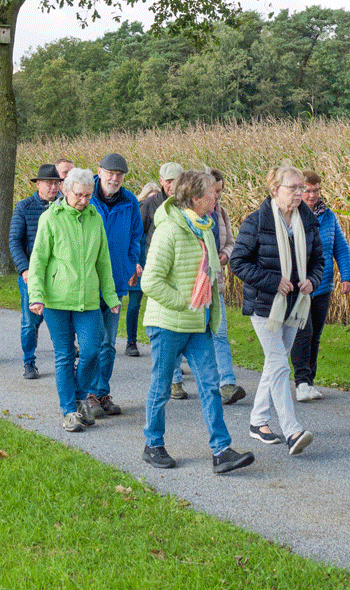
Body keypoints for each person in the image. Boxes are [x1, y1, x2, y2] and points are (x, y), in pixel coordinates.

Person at [141, 170, 255, 474]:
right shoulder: (169, 230)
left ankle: (222, 450)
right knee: (162, 386)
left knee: (210, 385)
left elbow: (211, 272)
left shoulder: (205, 226)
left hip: (198, 322)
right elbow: (150, 282)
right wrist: (185, 303)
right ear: (194, 198)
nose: (216, 195)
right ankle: (153, 444)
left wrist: (204, 308)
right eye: (210, 192)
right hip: (168, 323)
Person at [230, 164, 323, 456]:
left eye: (301, 188)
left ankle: (258, 422)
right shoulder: (256, 222)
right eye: (293, 188)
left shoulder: (307, 222)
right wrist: (273, 281)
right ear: (275, 190)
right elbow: (238, 263)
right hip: (264, 307)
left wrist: (312, 280)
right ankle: (292, 429)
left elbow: (319, 259)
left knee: (274, 364)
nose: (299, 193)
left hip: (295, 306)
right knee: (281, 364)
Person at [27, 168, 119, 432]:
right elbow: (39, 261)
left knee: (92, 351)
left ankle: (80, 398)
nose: (83, 200)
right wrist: (37, 295)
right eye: (78, 195)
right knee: (65, 355)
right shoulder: (50, 218)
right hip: (56, 300)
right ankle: (69, 411)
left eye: (88, 195)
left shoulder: (95, 218)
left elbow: (103, 261)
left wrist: (110, 296)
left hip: (88, 299)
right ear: (66, 191)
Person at [291, 169, 350, 402]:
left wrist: (347, 276)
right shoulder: (291, 215)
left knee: (315, 334)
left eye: (316, 190)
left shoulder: (328, 216)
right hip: (300, 287)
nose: (311, 195)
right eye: (307, 190)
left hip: (323, 285)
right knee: (303, 332)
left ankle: (310, 381)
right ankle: (301, 382)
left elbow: (341, 247)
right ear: (298, 191)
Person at [88, 153, 142, 418]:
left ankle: (101, 392)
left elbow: (136, 236)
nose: (114, 178)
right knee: (90, 342)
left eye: (119, 174)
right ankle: (87, 394)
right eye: (110, 173)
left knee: (109, 342)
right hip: (88, 282)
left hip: (117, 281)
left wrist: (131, 263)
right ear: (99, 171)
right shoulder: (87, 196)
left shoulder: (130, 201)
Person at [9, 163, 63, 380]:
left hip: (59, 275)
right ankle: (29, 361)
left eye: (57, 183)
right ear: (38, 184)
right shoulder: (24, 207)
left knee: (59, 321)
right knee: (31, 322)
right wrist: (24, 269)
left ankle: (65, 360)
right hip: (32, 275)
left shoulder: (65, 208)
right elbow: (14, 240)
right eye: (49, 183)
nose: (53, 187)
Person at [139, 162, 186, 395]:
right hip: (157, 271)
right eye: (168, 180)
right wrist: (139, 262)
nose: (171, 185)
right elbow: (138, 235)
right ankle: (173, 380)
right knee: (166, 324)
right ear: (161, 180)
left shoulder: (187, 205)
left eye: (176, 180)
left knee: (180, 323)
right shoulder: (149, 205)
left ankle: (175, 376)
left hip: (181, 272)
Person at [206, 168, 246, 406]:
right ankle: (175, 379)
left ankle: (227, 384)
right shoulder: (188, 214)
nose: (218, 196)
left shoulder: (221, 213)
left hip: (216, 283)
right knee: (190, 335)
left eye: (220, 191)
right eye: (214, 191)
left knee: (220, 333)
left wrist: (225, 254)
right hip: (193, 285)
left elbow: (231, 241)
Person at [126, 181, 164, 358]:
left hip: (157, 261)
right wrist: (134, 262)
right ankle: (131, 341)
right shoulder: (141, 210)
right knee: (134, 304)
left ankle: (163, 343)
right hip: (140, 260)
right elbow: (135, 236)